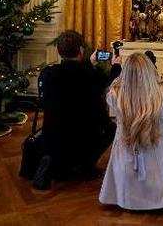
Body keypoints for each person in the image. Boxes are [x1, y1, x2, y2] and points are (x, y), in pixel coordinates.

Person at [99, 52, 163, 210]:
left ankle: (128, 198)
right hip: (159, 152)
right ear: (150, 71)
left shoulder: (114, 94)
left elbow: (111, 86)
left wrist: (115, 68)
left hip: (126, 154)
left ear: (124, 73)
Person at [32, 30, 120, 190]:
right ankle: (86, 165)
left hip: (53, 136)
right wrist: (116, 65)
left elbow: (69, 78)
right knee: (112, 128)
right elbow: (111, 80)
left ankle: (55, 163)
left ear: (59, 51)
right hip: (84, 136)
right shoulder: (91, 74)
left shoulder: (48, 73)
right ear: (81, 50)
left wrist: (88, 63)